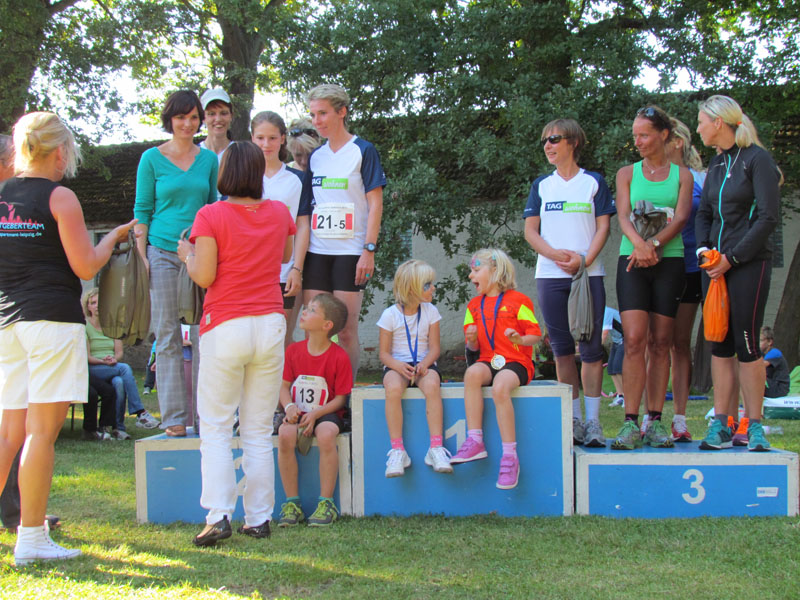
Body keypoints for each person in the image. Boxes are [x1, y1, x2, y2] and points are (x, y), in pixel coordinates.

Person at [0, 111, 136, 565]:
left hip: (8, 324)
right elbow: (85, 265)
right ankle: (31, 538)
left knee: (9, 434)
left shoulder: (2, 195)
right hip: (53, 322)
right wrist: (112, 238)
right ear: (60, 152)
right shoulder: (61, 197)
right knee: (41, 434)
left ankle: (28, 534)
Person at [177, 141, 296, 546]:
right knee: (258, 429)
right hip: (270, 322)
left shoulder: (210, 214)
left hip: (226, 323)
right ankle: (259, 517)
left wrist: (187, 254)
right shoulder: (278, 212)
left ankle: (218, 515)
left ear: (226, 173)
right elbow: (284, 253)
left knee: (216, 426)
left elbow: (205, 275)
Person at [695, 95, 782, 452]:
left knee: (746, 343)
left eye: (701, 122)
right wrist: (704, 252)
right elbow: (704, 214)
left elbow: (768, 217)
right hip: (714, 267)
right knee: (719, 342)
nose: (698, 128)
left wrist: (731, 258)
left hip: (748, 264)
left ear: (718, 123)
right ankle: (721, 423)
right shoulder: (716, 164)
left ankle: (754, 425)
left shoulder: (758, 160)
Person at [523, 118, 615, 448]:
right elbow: (530, 231)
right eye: (545, 141)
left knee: (591, 350)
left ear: (573, 142)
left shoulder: (593, 182)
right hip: (550, 275)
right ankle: (574, 420)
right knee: (562, 349)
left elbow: (603, 227)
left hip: (587, 275)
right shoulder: (541, 186)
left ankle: (593, 422)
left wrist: (584, 260)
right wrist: (554, 255)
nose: (548, 146)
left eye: (555, 139)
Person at [134, 90, 218, 437]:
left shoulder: (209, 159)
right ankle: (173, 420)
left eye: (194, 117)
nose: (188, 123)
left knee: (203, 335)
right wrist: (142, 257)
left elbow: (213, 207)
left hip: (199, 253)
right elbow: (142, 211)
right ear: (170, 120)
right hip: (162, 252)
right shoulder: (151, 159)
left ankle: (204, 416)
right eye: (181, 117)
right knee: (167, 335)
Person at [611, 105, 692, 451]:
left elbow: (682, 218)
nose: (638, 141)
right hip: (632, 260)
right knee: (633, 340)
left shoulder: (682, 175)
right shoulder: (626, 173)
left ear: (664, 135)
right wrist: (641, 246)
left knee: (661, 342)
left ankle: (655, 421)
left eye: (644, 135)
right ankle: (630, 422)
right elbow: (623, 216)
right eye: (635, 136)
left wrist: (654, 244)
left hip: (669, 261)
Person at [302, 83, 386, 380]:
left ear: (342, 112)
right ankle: (316, 394)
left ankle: (346, 397)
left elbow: (375, 203)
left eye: (323, 113)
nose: (317, 121)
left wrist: (369, 250)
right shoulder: (316, 156)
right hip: (316, 253)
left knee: (346, 331)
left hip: (350, 253)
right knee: (313, 330)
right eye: (313, 115)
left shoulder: (363, 150)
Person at [450, 249, 542, 490]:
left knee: (500, 386)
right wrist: (471, 340)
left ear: (495, 271)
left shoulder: (519, 301)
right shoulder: (473, 306)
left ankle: (510, 456)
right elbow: (473, 348)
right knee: (472, 374)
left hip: (517, 362)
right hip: (489, 361)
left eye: (476, 270)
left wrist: (520, 340)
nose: (471, 276)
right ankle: (475, 440)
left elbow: (535, 335)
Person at [276, 293, 352, 527]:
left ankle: (326, 502)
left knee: (327, 434)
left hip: (326, 413)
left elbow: (341, 399)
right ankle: (292, 503)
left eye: (311, 310)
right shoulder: (293, 351)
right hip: (297, 412)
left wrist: (316, 415)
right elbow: (283, 387)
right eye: (306, 308)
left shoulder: (339, 356)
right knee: (285, 434)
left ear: (327, 325)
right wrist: (289, 407)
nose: (304, 312)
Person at [378, 259, 451, 477]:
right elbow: (383, 354)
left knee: (432, 385)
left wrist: (425, 364)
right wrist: (398, 366)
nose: (433, 288)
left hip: (423, 364)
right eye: (427, 285)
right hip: (397, 365)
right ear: (412, 289)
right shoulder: (390, 315)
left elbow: (435, 348)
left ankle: (436, 447)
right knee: (392, 388)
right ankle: (397, 450)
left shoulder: (431, 311)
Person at [660, 117, 706, 442]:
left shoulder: (700, 177)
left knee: (679, 343)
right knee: (655, 342)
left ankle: (679, 418)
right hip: (660, 266)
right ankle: (649, 417)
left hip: (692, 267)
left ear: (677, 141)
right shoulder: (651, 176)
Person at [251, 111, 311, 346]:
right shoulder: (243, 177)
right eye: (260, 138)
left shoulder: (297, 179)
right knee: (252, 339)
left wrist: (297, 268)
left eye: (272, 138)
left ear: (283, 139)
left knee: (279, 338)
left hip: (284, 273)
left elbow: (302, 225)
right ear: (252, 138)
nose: (266, 144)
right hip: (249, 272)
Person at [82, 287, 160, 438]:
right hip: (94, 368)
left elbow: (119, 353)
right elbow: (87, 357)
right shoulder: (85, 327)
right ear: (88, 306)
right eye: (93, 303)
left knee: (119, 382)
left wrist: (114, 360)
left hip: (112, 366)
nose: (97, 306)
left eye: (100, 302)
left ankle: (118, 428)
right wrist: (103, 361)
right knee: (124, 369)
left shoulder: (113, 326)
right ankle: (140, 412)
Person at [199, 88, 233, 162]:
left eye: (223, 113)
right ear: (203, 118)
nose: (218, 119)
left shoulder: (241, 154)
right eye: (211, 114)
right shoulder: (193, 155)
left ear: (231, 116)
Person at [83, 374, 118, 441]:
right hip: (70, 376)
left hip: (83, 373)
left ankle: (103, 427)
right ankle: (89, 431)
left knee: (109, 391)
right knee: (92, 394)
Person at [602, 306, 625, 407]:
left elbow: (604, 333)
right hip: (616, 341)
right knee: (611, 369)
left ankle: (627, 397)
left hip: (625, 339)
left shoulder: (606, 312)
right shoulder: (596, 315)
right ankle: (620, 396)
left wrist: (596, 348)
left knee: (617, 368)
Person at [760, 327, 790, 399]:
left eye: (760, 340)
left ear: (769, 342)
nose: (758, 343)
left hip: (779, 388)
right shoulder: (762, 354)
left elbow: (759, 366)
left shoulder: (775, 353)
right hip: (772, 385)